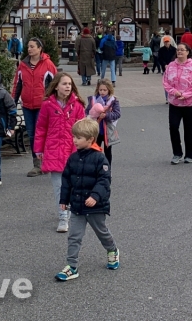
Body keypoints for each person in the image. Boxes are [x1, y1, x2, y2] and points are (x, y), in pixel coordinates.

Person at [54, 118, 119, 282]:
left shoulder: (100, 159)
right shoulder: (73, 158)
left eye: (78, 138)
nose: (74, 140)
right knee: (74, 236)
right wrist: (64, 199)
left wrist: (95, 196)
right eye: (74, 137)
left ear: (90, 139)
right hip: (77, 205)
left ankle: (112, 250)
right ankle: (72, 266)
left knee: (102, 232)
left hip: (96, 207)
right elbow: (66, 179)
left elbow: (104, 181)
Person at [34, 72, 86, 232]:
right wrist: (38, 149)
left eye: (69, 84)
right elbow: (41, 128)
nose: (67, 87)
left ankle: (69, 210)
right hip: (54, 151)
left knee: (72, 186)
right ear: (56, 86)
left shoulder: (77, 106)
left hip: (73, 151)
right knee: (59, 187)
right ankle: (63, 217)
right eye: (64, 84)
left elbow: (83, 129)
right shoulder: (47, 105)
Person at [12, 37, 58, 177]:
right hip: (27, 105)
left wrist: (53, 102)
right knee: (32, 135)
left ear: (39, 48)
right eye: (28, 47)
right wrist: (13, 102)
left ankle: (46, 162)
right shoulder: (23, 65)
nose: (29, 49)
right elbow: (17, 84)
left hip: (42, 106)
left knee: (42, 134)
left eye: (32, 46)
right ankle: (37, 164)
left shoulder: (48, 64)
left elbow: (55, 84)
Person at [163, 43, 192, 163]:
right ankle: (177, 153)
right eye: (178, 50)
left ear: (187, 52)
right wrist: (174, 92)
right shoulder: (171, 66)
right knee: (173, 127)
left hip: (190, 103)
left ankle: (189, 154)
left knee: (188, 128)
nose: (179, 52)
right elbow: (165, 82)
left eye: (182, 50)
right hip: (174, 102)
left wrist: (185, 95)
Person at [86, 79, 121, 164]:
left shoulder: (113, 101)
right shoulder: (93, 100)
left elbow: (117, 114)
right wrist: (93, 114)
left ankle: (108, 169)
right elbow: (87, 112)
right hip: (96, 130)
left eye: (104, 90)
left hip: (107, 131)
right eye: (100, 90)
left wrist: (106, 115)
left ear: (109, 90)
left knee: (107, 152)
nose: (102, 92)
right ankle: (96, 168)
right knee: (94, 150)